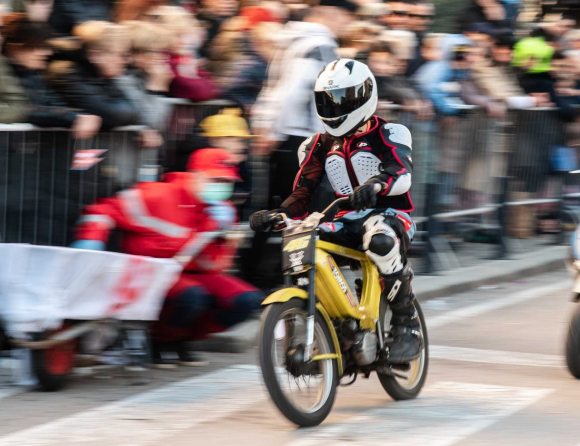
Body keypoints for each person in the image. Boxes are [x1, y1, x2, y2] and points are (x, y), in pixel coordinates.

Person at [249, 59, 422, 362]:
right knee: (302, 240)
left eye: (343, 99)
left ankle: (407, 325)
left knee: (379, 238)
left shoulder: (391, 132)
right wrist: (279, 213)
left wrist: (378, 185)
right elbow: (303, 192)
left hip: (393, 217)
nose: (334, 107)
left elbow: (401, 172)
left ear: (366, 94)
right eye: (326, 101)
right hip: (347, 219)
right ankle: (327, 320)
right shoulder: (315, 145)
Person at [72, 147, 263, 365]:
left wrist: (226, 239)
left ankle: (183, 340)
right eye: (215, 179)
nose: (221, 186)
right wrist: (91, 242)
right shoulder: (156, 195)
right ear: (194, 175)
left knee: (247, 300)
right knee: (192, 296)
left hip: (192, 273)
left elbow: (214, 264)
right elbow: (101, 211)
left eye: (226, 181)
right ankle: (158, 341)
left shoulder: (221, 210)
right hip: (150, 271)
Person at [251, 0, 356, 206]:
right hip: (302, 138)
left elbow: (275, 86)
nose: (348, 22)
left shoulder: (294, 40)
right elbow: (293, 91)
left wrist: (267, 127)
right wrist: (273, 132)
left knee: (276, 208)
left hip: (288, 137)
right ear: (330, 12)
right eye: (346, 15)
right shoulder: (320, 46)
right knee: (301, 213)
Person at [2, 16, 100, 138]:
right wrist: (72, 117)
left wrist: (79, 116)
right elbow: (21, 110)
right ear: (14, 48)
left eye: (46, 46)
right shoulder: (1, 76)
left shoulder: (36, 76)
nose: (46, 52)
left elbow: (54, 104)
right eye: (37, 46)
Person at [47, 21, 142, 130]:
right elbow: (111, 114)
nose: (128, 61)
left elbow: (135, 112)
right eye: (122, 55)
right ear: (96, 55)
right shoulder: (66, 72)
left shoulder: (101, 74)